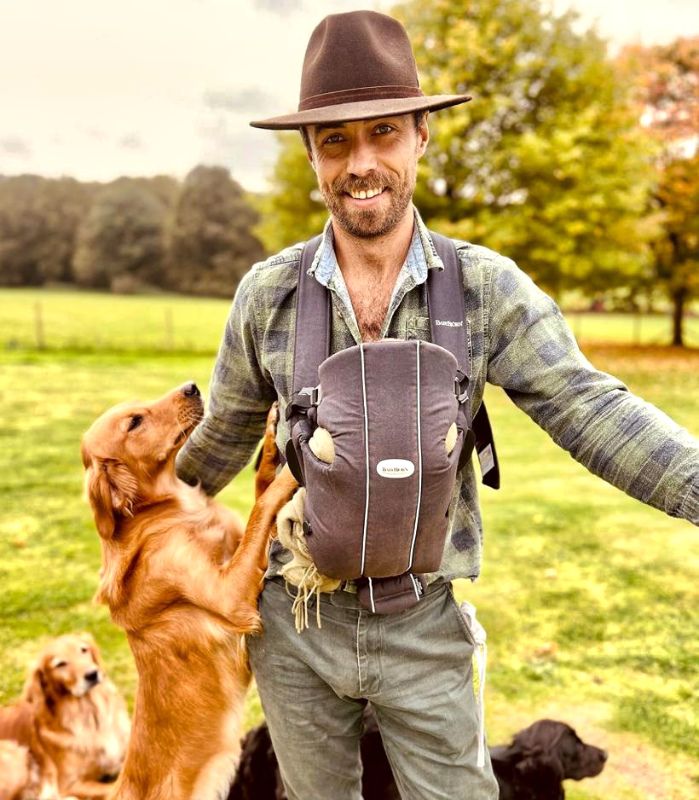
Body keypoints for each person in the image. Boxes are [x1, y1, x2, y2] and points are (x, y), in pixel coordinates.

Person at [176, 10, 699, 800]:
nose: (361, 163)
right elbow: (212, 449)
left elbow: (592, 408)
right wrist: (129, 503)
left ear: (421, 133)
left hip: (423, 625)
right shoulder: (266, 296)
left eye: (383, 132)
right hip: (295, 627)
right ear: (312, 154)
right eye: (336, 141)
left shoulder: (485, 289)